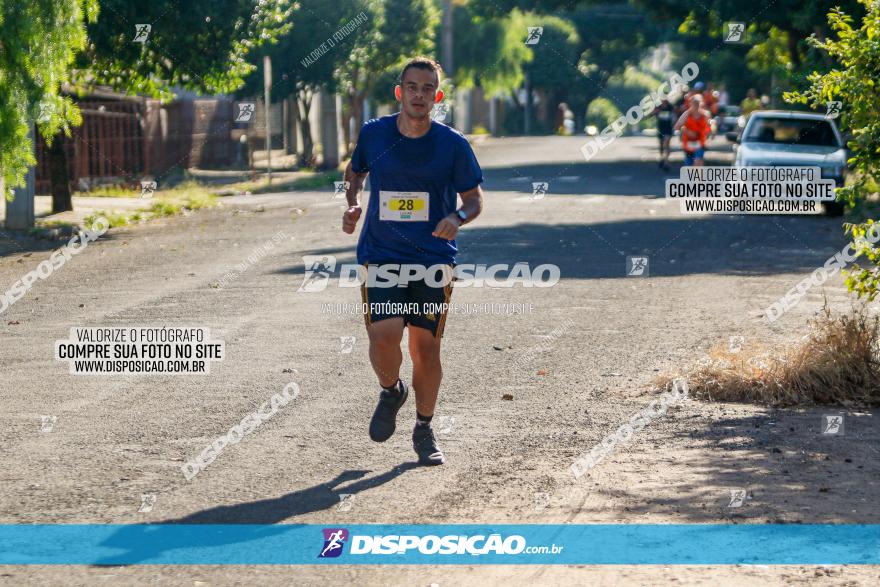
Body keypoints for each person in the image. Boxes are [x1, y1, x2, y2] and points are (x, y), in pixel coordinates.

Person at [341, 57, 484, 466]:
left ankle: (424, 428)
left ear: (437, 97)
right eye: (412, 87)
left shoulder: (453, 144)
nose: (419, 95)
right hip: (381, 254)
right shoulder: (375, 133)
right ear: (399, 92)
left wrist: (457, 217)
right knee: (382, 337)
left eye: (427, 89)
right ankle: (391, 391)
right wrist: (352, 204)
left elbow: (474, 200)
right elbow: (355, 173)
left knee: (426, 348)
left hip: (433, 259)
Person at [674, 94, 712, 167]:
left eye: (698, 103)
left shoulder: (705, 115)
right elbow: (677, 126)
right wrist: (686, 131)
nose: (696, 105)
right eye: (694, 103)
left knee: (698, 162)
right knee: (688, 166)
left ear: (701, 103)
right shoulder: (686, 114)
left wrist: (710, 131)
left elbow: (710, 126)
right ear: (690, 103)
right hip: (688, 144)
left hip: (700, 143)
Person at [651, 98, 676, 171]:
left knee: (667, 143)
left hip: (668, 128)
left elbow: (674, 116)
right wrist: (655, 112)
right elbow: (651, 115)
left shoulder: (671, 107)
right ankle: (662, 157)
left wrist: (675, 124)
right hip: (661, 129)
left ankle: (666, 161)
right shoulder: (658, 107)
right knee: (661, 144)